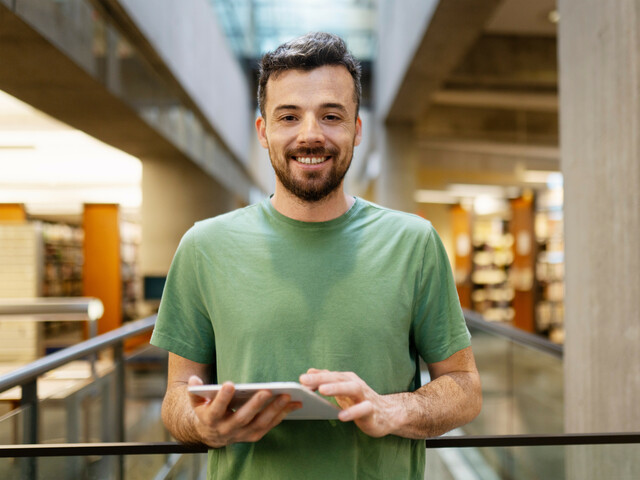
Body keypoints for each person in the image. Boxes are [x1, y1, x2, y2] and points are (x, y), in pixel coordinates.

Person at [151, 32, 482, 479]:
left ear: (356, 130)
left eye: (331, 116)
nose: (311, 135)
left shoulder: (414, 242)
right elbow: (176, 397)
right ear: (263, 131)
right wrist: (202, 424)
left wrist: (391, 409)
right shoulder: (203, 247)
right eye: (289, 116)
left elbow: (464, 387)